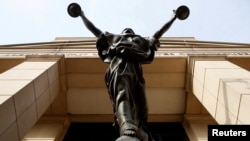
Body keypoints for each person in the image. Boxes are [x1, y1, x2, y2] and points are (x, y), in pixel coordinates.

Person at [67, 3, 189, 141]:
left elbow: (158, 33)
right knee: (123, 94)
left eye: (130, 29)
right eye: (125, 29)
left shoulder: (141, 41)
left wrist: (174, 17)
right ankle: (127, 127)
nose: (128, 30)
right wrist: (82, 15)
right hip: (119, 65)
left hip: (135, 68)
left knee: (140, 104)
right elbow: (94, 30)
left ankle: (139, 128)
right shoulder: (112, 38)